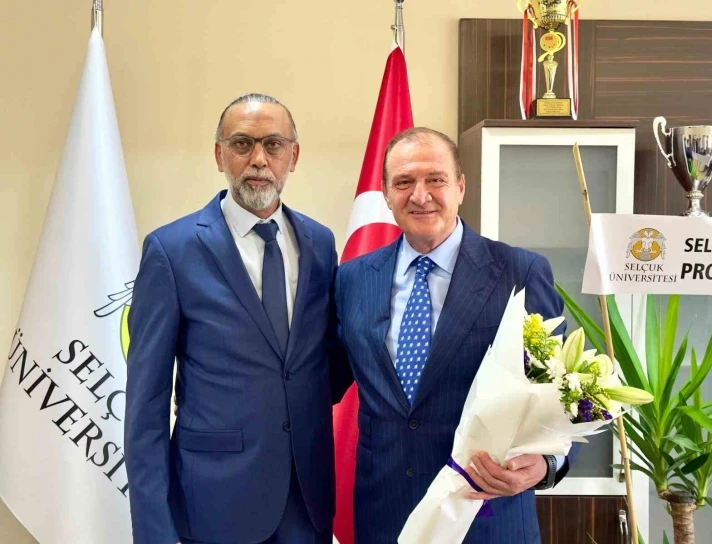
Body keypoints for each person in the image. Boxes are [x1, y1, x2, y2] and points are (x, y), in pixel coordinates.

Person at [334, 127, 575, 543]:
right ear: (386, 194)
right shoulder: (352, 279)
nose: (420, 195)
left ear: (460, 186)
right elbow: (321, 379)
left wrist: (547, 463)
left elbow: (568, 391)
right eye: (403, 182)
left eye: (436, 179)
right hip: (386, 517)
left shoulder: (519, 272)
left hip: (487, 514)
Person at [125, 94, 346, 544]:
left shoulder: (320, 243)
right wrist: (154, 532)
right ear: (219, 154)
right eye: (242, 144)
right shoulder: (172, 250)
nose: (259, 159)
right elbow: (145, 407)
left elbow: (325, 362)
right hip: (214, 506)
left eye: (274, 144)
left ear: (293, 156)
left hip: (307, 505)